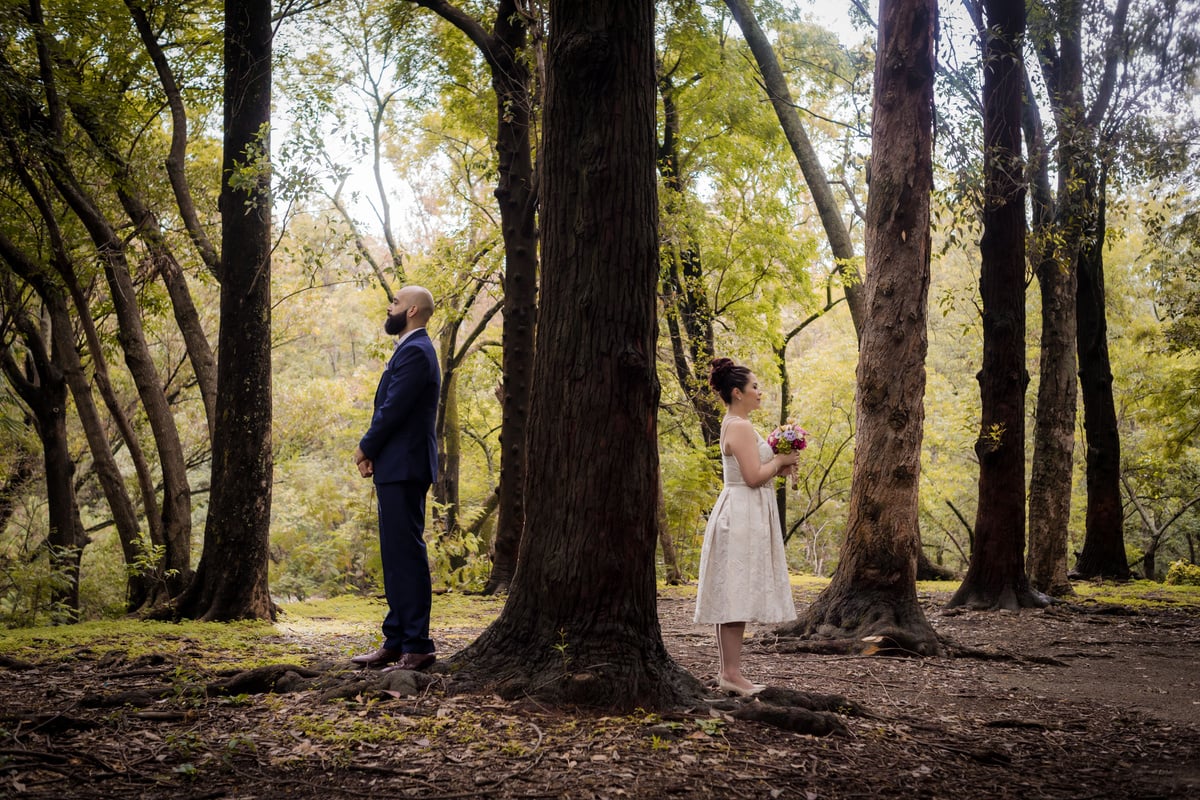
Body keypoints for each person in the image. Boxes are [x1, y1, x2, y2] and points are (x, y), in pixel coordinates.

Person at [694, 357, 799, 696]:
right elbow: (753, 477)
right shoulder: (737, 426)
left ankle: (729, 672)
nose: (760, 392)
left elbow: (753, 469)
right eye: (755, 387)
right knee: (734, 593)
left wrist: (780, 464)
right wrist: (781, 461)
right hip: (739, 513)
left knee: (733, 592)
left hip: (744, 510)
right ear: (737, 392)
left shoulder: (739, 424)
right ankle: (732, 674)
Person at [350, 285, 440, 672]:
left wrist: (365, 447)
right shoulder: (408, 348)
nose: (390, 307)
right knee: (394, 556)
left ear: (413, 310)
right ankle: (396, 640)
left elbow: (393, 409)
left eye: (396, 303)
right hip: (395, 465)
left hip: (406, 466)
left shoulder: (417, 352)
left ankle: (417, 645)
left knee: (407, 556)